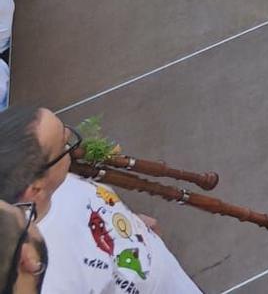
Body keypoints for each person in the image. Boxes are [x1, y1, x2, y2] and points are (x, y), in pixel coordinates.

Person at [0, 104, 198, 293]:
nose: (70, 139)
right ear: (35, 190)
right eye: (63, 145)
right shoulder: (48, 277)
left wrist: (132, 226)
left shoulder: (54, 180)